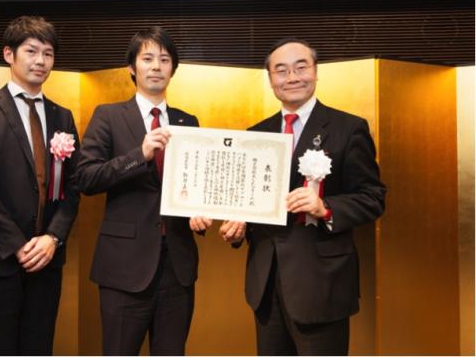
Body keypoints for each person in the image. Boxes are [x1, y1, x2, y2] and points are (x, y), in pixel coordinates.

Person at [219, 38, 386, 355]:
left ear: (316, 71)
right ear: (270, 79)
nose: (292, 77)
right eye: (281, 70)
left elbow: (373, 197)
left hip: (321, 283)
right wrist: (240, 225)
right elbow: (252, 201)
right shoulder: (255, 134)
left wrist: (326, 207)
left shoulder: (348, 128)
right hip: (265, 282)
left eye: (300, 67)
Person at [76, 26, 210, 355]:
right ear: (132, 68)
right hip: (124, 266)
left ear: (173, 69)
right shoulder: (108, 116)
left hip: (177, 264)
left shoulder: (188, 121)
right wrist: (140, 154)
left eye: (164, 59)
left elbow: (196, 185)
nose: (156, 66)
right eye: (147, 58)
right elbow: (86, 178)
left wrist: (199, 211)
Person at [0, 16, 80, 355]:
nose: (41, 61)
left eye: (48, 54)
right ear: (9, 54)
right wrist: (16, 244)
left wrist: (53, 238)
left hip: (46, 262)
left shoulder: (63, 116)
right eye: (32, 51)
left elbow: (72, 187)